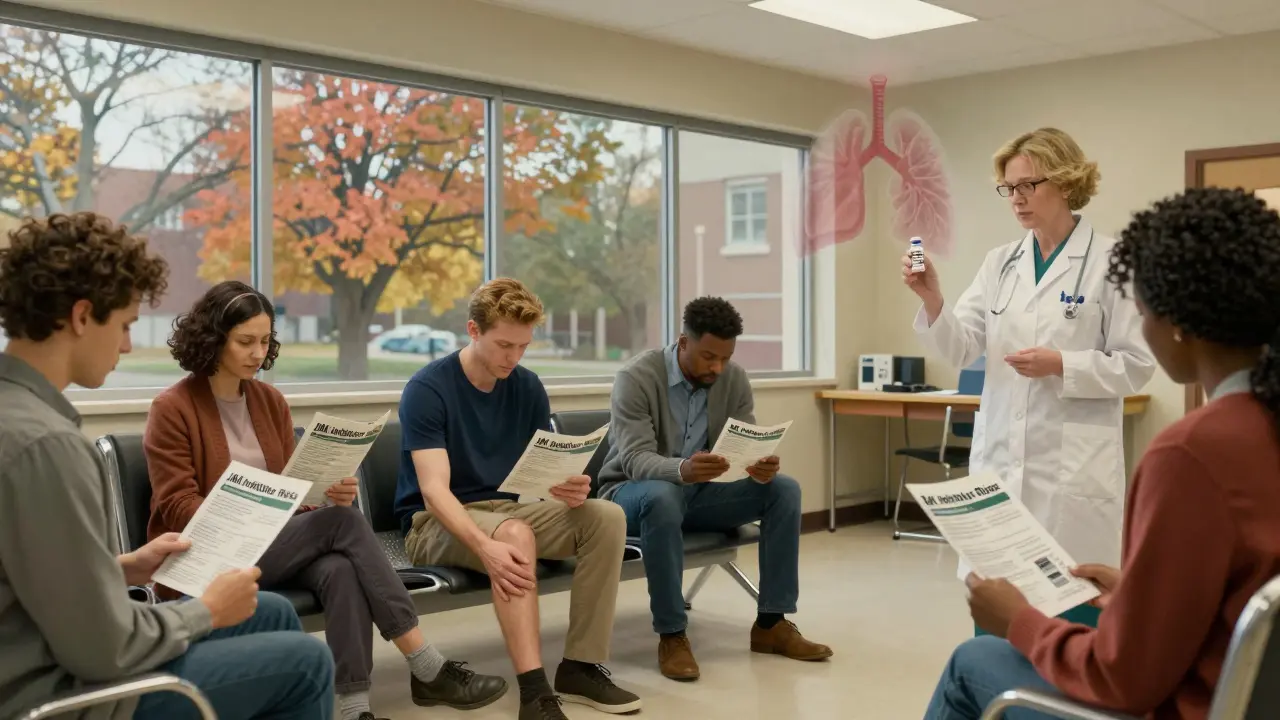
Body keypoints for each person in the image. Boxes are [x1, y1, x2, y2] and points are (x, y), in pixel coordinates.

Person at [924, 186, 1280, 720]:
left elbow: (1124, 681)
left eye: (1141, 306)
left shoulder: (1190, 454)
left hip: (1173, 704)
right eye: (1007, 186)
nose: (1016, 196)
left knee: (974, 660)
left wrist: (1019, 620)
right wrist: (1139, 591)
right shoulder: (1261, 425)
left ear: (1177, 321)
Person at [0, 213, 334, 719]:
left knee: (272, 608)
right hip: (65, 690)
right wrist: (205, 611)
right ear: (82, 316)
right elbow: (103, 647)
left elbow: (30, 579)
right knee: (308, 661)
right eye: (126, 325)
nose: (129, 345)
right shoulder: (48, 447)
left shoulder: (17, 417)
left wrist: (123, 566)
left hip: (46, 648)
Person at [145, 280, 508, 720]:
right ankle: (426, 663)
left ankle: (354, 709)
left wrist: (321, 494)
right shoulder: (173, 408)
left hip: (269, 544)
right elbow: (177, 506)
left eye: (264, 341)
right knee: (343, 524)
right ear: (213, 337)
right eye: (245, 342)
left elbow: (288, 491)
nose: (258, 353)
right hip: (209, 555)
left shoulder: (269, 401)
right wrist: (257, 507)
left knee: (339, 563)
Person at [902, 127, 1155, 631]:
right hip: (1000, 461)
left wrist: (1062, 364)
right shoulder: (1001, 262)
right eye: (1009, 188)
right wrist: (933, 299)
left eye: (1028, 185)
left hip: (1072, 474)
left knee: (1075, 612)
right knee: (996, 608)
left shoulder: (1112, 261)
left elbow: (1137, 364)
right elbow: (963, 346)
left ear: (1064, 182)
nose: (1016, 199)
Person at [396, 278, 641, 720]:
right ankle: (535, 694)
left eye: (523, 346)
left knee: (605, 516)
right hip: (435, 523)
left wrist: (568, 488)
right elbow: (434, 493)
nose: (514, 357)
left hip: (507, 510)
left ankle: (581, 666)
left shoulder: (527, 387)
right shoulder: (428, 389)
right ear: (473, 331)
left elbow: (539, 471)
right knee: (513, 535)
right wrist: (485, 546)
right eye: (504, 345)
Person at [597, 296, 832, 681]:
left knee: (783, 490)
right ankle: (672, 634)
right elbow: (636, 461)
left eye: (725, 357)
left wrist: (758, 464)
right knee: (662, 494)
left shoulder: (733, 378)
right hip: (629, 495)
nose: (717, 367)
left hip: (693, 497)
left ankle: (771, 624)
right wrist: (684, 468)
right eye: (708, 357)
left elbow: (743, 441)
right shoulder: (636, 377)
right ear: (683, 342)